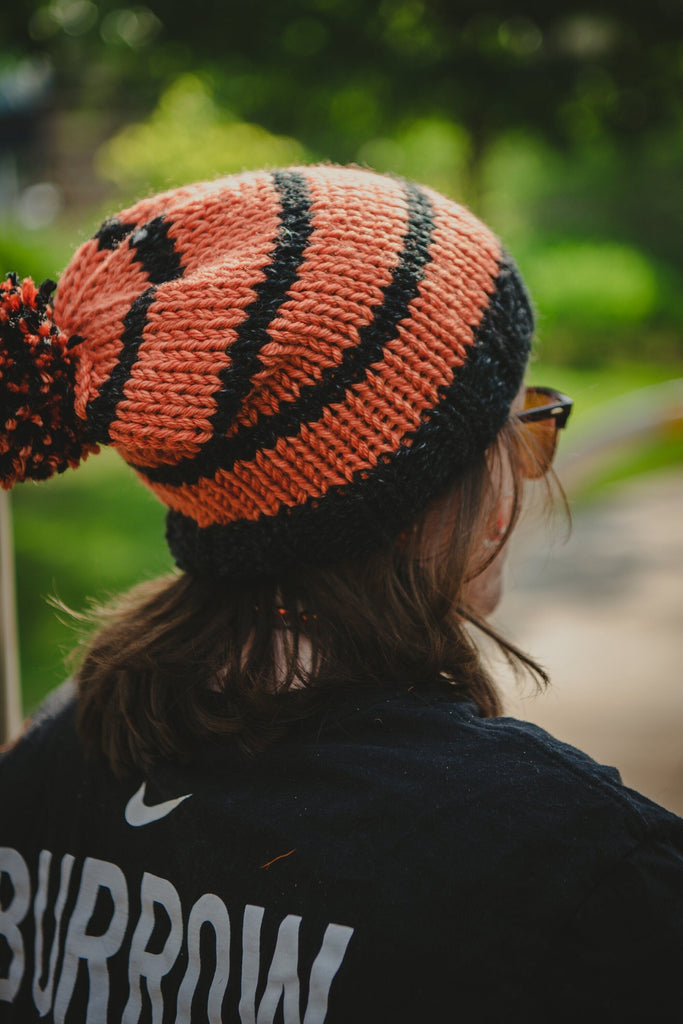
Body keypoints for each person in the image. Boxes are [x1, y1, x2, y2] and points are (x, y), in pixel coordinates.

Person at [0, 165, 681, 1023]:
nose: (521, 472)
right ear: (409, 496)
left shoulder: (54, 754)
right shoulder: (582, 874)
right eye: (519, 428)